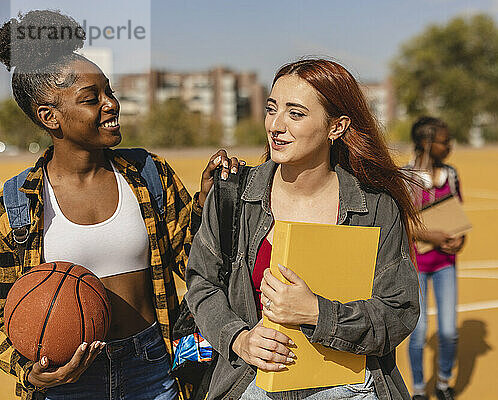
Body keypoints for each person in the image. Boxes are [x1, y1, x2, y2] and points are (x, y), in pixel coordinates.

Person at [0, 10, 241, 400]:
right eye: (92, 98)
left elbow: (196, 263)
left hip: (152, 365)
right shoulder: (17, 202)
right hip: (69, 382)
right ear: (50, 117)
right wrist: (29, 371)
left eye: (109, 92)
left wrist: (209, 202)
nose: (111, 104)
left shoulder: (148, 173)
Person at [185, 58, 421, 400]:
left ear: (336, 127)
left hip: (351, 388)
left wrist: (316, 312)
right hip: (251, 386)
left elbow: (399, 311)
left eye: (295, 113)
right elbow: (202, 284)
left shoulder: (375, 207)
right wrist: (240, 340)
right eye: (271, 109)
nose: (276, 125)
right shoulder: (233, 195)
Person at [405, 117, 464, 400]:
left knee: (450, 331)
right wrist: (435, 236)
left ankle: (443, 382)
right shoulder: (405, 177)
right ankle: (418, 389)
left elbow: (458, 214)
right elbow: (401, 224)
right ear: (426, 143)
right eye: (444, 140)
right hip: (414, 266)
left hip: (445, 265)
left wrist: (460, 239)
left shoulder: (451, 175)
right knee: (418, 333)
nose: (450, 145)